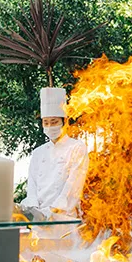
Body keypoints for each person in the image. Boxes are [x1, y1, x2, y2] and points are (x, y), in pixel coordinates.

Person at [20, 87, 88, 217]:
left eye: (54, 122)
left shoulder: (77, 148)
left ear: (65, 121)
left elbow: (73, 187)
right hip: (39, 219)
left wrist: (51, 211)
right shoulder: (38, 153)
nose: (50, 126)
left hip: (63, 220)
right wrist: (35, 210)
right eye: (46, 123)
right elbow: (32, 185)